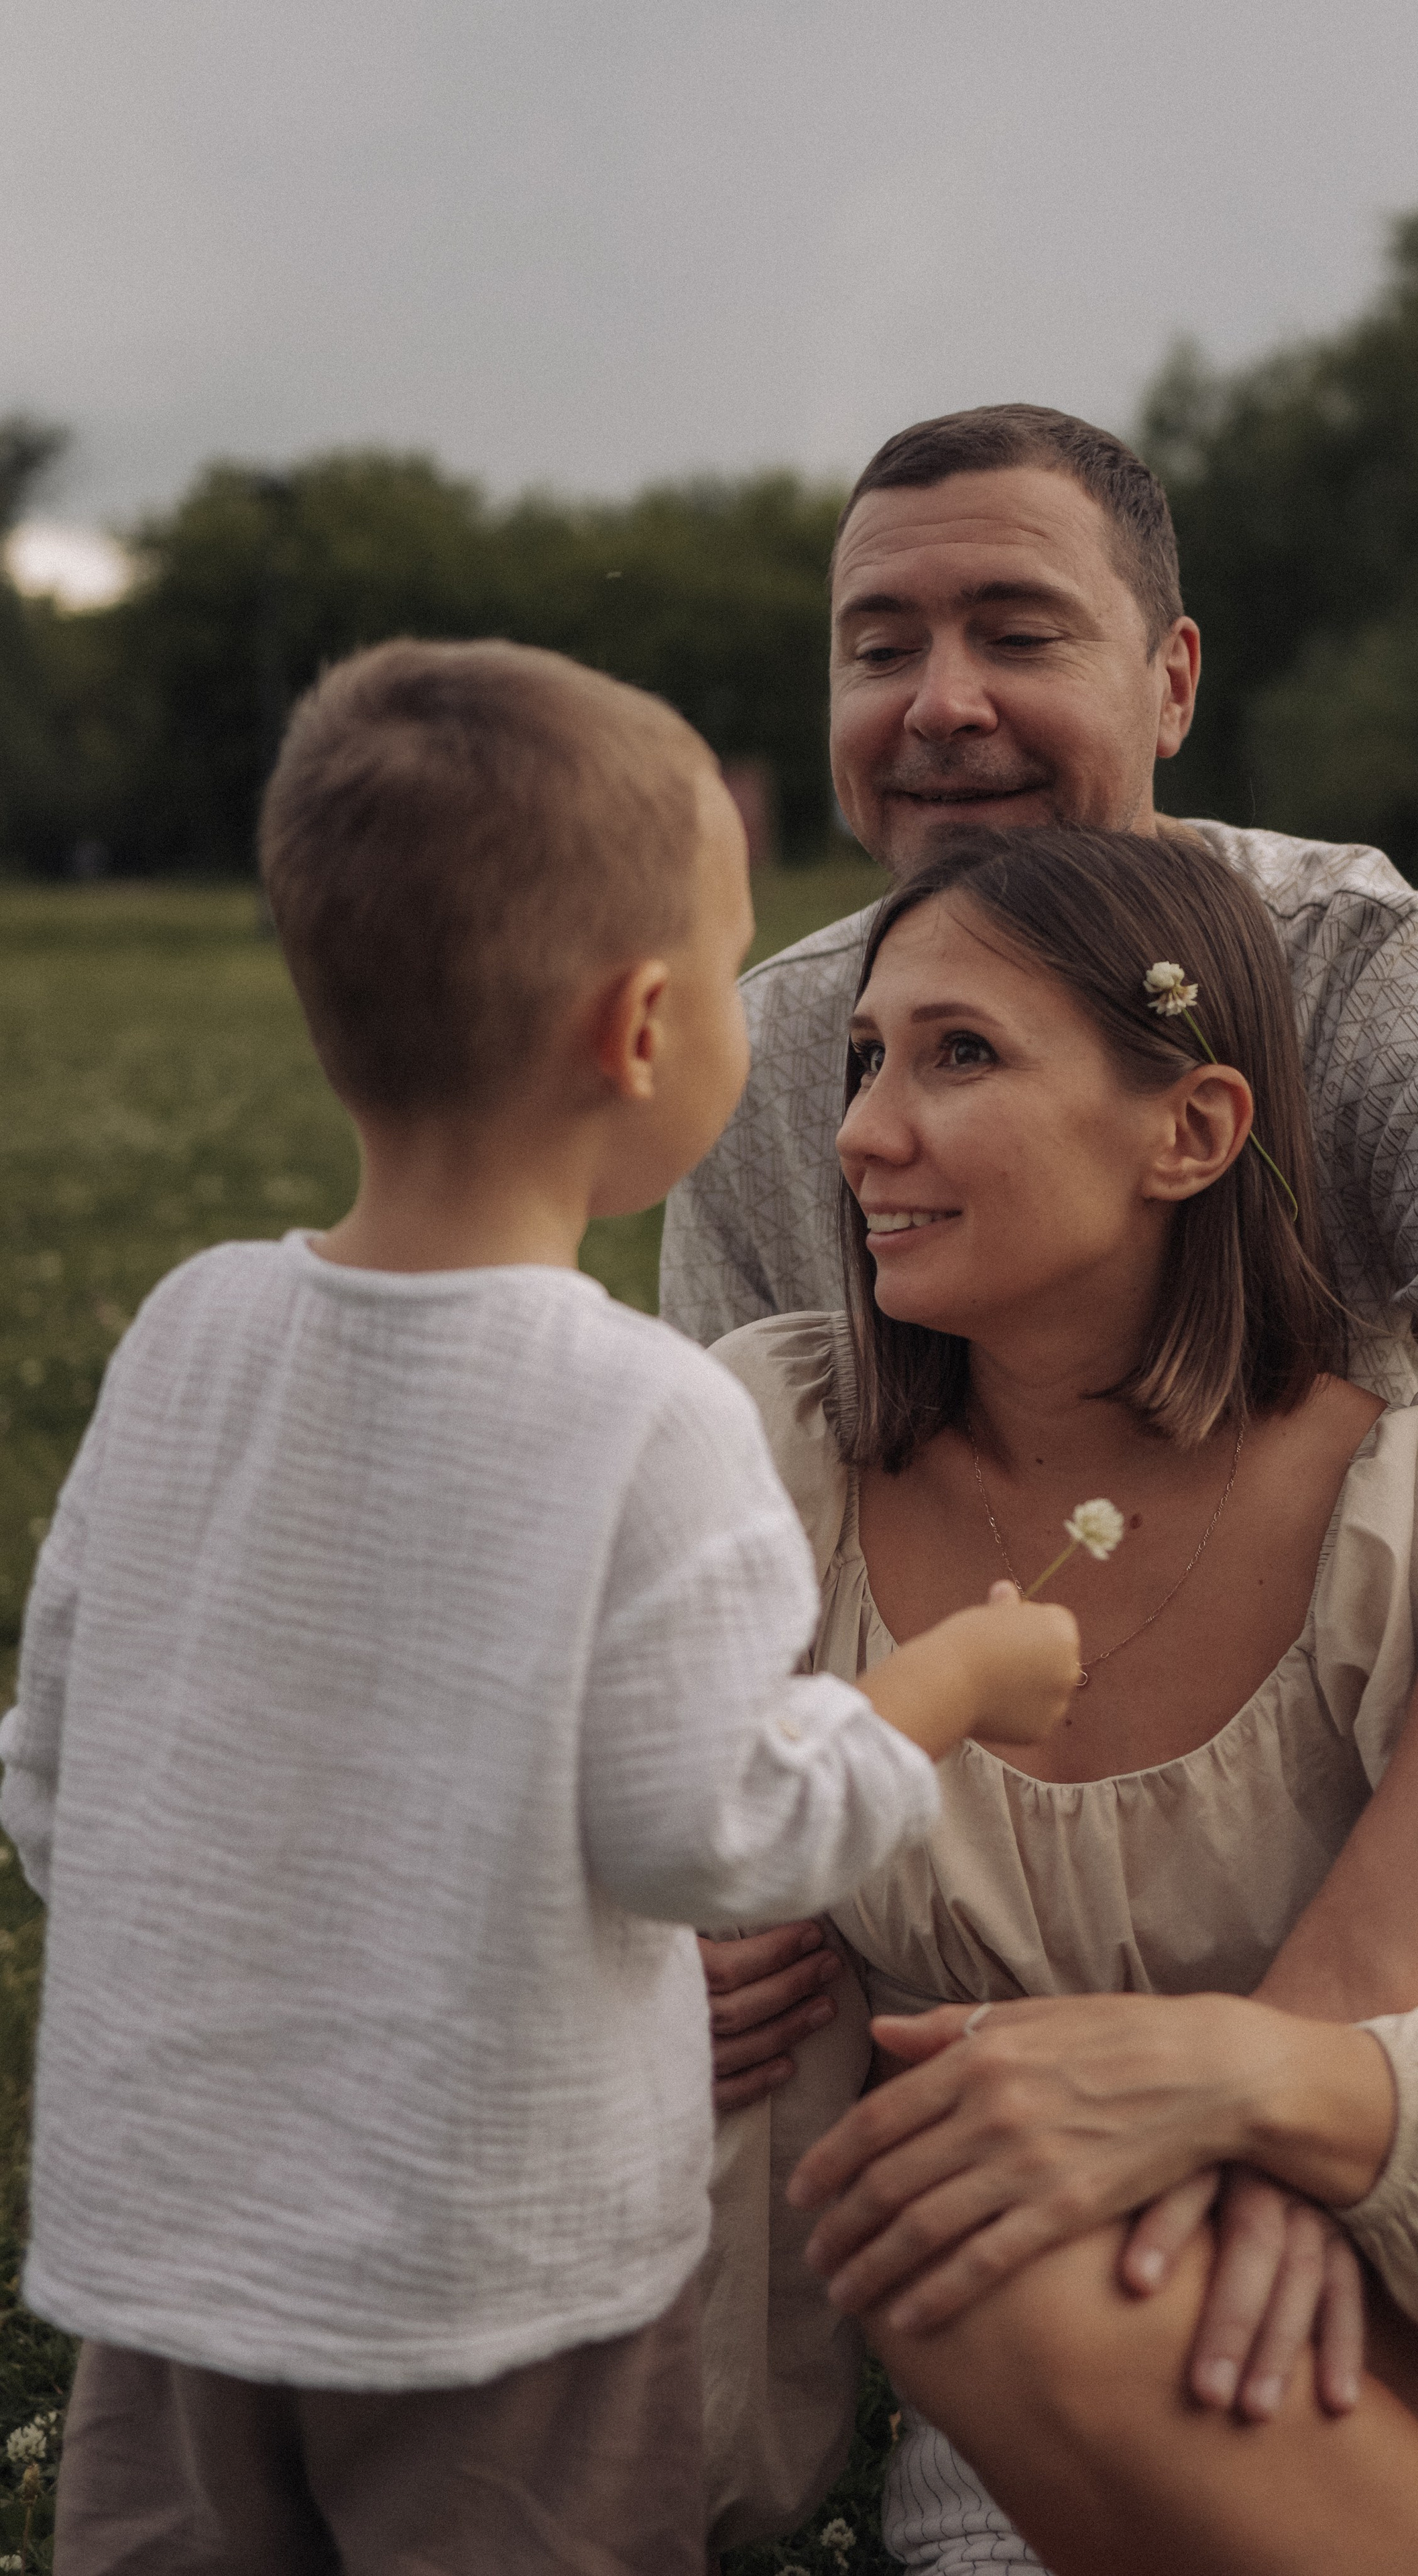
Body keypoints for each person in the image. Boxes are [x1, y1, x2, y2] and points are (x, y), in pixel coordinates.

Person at [667, 403, 1418, 2464]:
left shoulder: (1357, 966)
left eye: (1016, 632)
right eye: (880, 646)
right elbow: (723, 1594)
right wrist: (680, 1928)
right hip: (1012, 1774)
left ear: (1172, 678)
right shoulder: (783, 1044)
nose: (941, 702)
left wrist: (1293, 2070)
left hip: (1392, 1718)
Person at [0, 640, 1082, 2576]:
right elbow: (711, 1827)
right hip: (495, 2270)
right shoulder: (647, 1413)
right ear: (644, 1026)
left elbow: (57, 1773)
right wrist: (937, 1686)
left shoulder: (187, 1332)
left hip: (166, 2244)